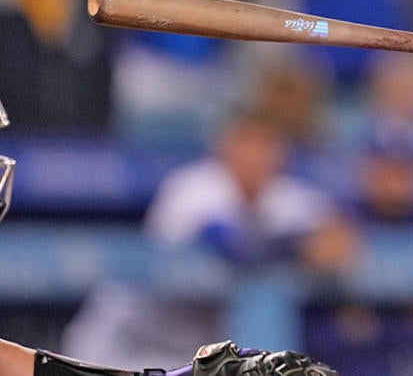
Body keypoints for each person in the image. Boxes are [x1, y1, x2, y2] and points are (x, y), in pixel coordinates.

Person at [0, 155, 337, 376]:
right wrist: (295, 243)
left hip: (177, 352)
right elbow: (236, 244)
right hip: (124, 341)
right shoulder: (194, 187)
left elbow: (340, 242)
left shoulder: (287, 195)